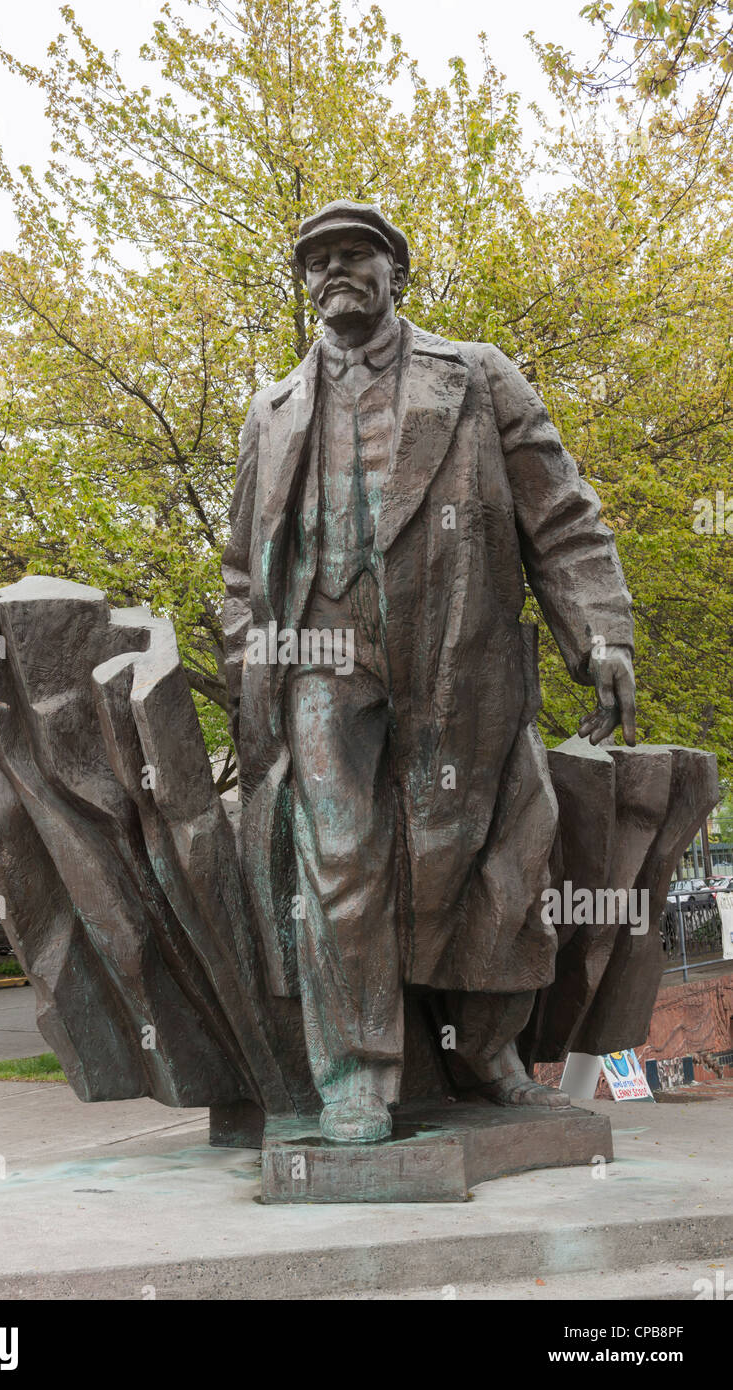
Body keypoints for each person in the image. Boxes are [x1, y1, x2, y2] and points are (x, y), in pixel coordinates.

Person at [222, 200, 636, 1142]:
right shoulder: (273, 409)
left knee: (500, 846)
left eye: (354, 255)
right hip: (321, 652)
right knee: (340, 852)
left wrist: (600, 631)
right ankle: (358, 1072)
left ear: (395, 274)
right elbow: (246, 565)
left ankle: (488, 1050)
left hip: (461, 649)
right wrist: (254, 663)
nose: (334, 270)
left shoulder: (476, 374)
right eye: (317, 259)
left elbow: (560, 512)